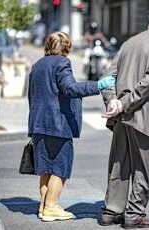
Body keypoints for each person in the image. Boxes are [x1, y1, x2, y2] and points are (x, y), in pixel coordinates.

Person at [99, 9, 149, 229]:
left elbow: (107, 77)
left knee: (119, 163)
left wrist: (113, 101)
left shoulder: (129, 43)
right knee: (143, 168)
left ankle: (111, 212)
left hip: (122, 115)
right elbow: (148, 84)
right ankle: (134, 215)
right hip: (147, 116)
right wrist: (122, 104)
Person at [28, 31, 115, 222]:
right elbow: (71, 89)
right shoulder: (62, 63)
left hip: (38, 124)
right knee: (60, 167)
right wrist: (98, 85)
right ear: (66, 47)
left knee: (45, 168)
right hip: (57, 125)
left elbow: (32, 96)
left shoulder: (37, 65)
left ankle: (44, 206)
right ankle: (51, 207)